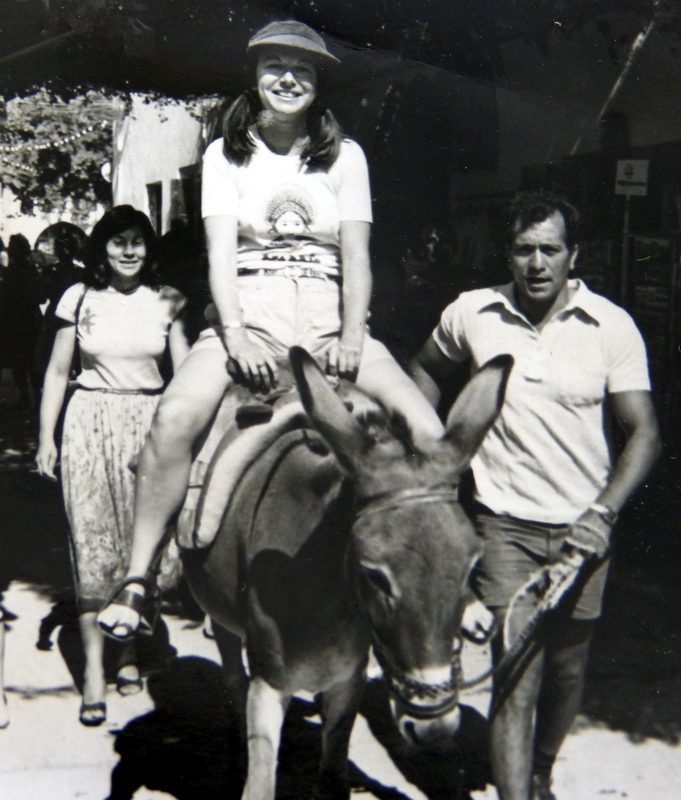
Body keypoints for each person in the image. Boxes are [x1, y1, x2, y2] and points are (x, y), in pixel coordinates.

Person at [96, 19, 444, 640]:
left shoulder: (345, 156)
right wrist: (234, 334)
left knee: (429, 429)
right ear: (255, 79)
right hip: (250, 312)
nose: (288, 78)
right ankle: (140, 575)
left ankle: (432, 574)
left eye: (302, 69)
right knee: (175, 417)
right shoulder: (225, 156)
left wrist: (353, 334)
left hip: (328, 320)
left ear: (319, 83)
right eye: (274, 66)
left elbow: (356, 256)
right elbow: (221, 255)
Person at [409, 191, 661, 800]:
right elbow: (421, 373)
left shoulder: (610, 325)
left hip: (583, 531)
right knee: (516, 674)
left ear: (574, 255)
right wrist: (431, 459)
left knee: (569, 669)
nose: (537, 263)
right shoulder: (473, 313)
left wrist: (601, 514)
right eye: (524, 250)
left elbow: (646, 434)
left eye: (551, 249)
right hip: (504, 527)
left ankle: (542, 765)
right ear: (507, 254)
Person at [35, 206, 188, 727]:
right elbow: (58, 373)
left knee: (144, 545)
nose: (128, 251)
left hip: (151, 423)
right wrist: (45, 438)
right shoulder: (79, 299)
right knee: (92, 539)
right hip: (88, 421)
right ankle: (96, 674)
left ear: (149, 249)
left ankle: (128, 654)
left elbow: (186, 378)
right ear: (101, 248)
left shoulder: (168, 301)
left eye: (138, 242)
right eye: (118, 241)